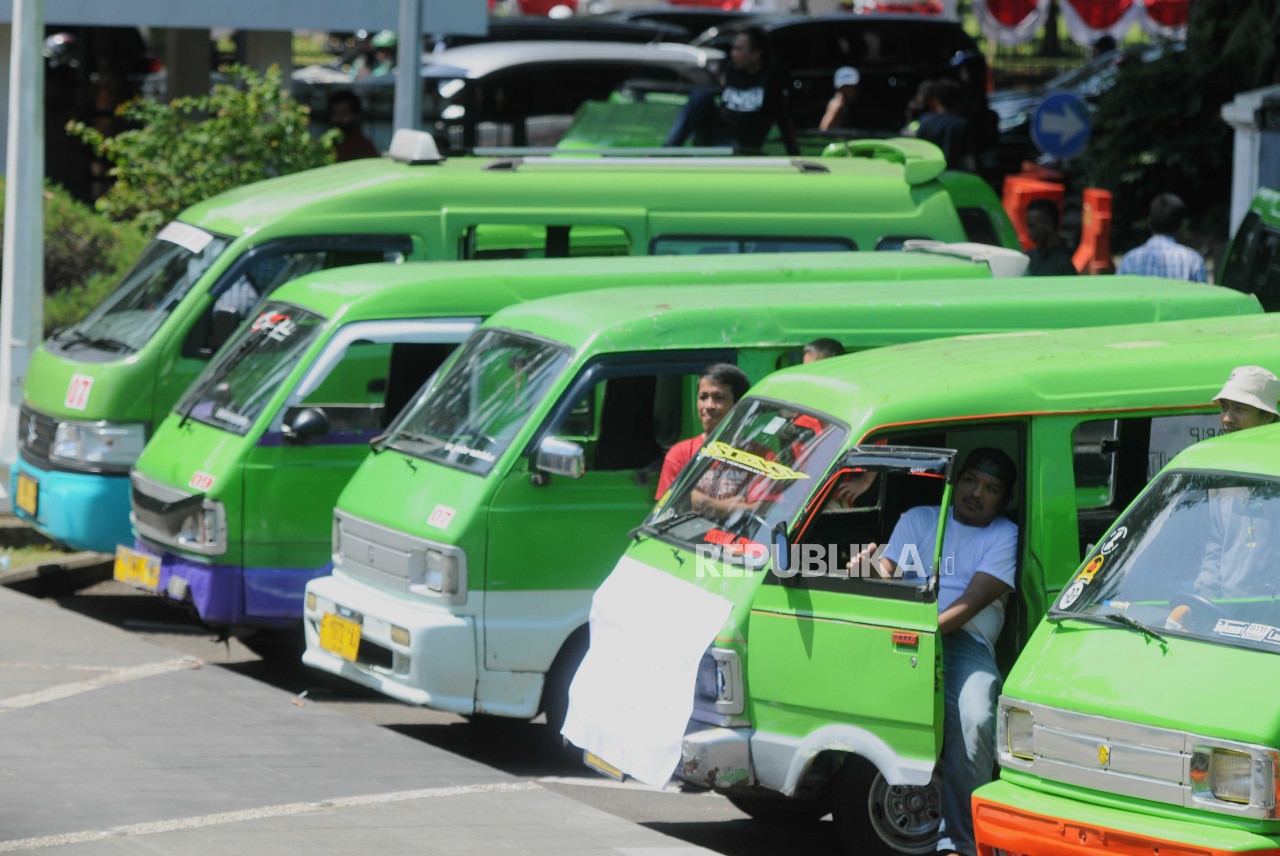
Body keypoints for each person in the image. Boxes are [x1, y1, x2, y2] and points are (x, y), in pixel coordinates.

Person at [852, 447, 1019, 856]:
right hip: (904, 632)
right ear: (955, 481)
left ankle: (961, 844)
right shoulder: (919, 519)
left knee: (977, 718)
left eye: (991, 488)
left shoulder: (1004, 534)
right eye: (970, 481)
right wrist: (864, 571)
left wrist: (925, 634)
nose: (976, 492)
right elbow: (886, 574)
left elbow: (972, 601)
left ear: (1004, 500)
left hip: (961, 642)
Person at [1193, 367, 1280, 601]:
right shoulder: (1225, 471)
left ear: (1268, 416)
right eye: (1224, 407)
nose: (1227, 418)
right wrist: (1205, 593)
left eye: (1239, 409)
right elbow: (1216, 542)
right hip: (1230, 610)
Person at [664, 27, 800, 156]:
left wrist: (795, 155)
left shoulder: (770, 80)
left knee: (728, 147)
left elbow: (783, 119)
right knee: (701, 95)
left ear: (756, 54)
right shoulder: (732, 71)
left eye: (738, 49)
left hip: (741, 144)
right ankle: (668, 150)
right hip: (717, 135)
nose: (733, 53)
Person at [654, 364, 751, 500]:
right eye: (703, 397)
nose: (709, 406)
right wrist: (735, 504)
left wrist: (700, 501)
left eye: (719, 397)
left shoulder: (760, 458)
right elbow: (667, 509)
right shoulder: (680, 454)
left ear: (739, 405)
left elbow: (763, 510)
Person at [1116, 193, 1208, 282]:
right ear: (1180, 226)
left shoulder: (1130, 259)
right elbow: (1204, 296)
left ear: (1149, 222)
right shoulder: (1193, 260)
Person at [914, 79, 974, 172]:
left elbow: (919, 151)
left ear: (937, 100)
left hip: (931, 174)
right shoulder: (962, 124)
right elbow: (968, 159)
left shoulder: (925, 121)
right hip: (956, 176)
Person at [1024, 198, 1078, 276]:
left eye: (1032, 226)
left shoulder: (1063, 263)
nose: (1028, 232)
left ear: (1049, 225)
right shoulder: (1030, 257)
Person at [327, 91, 380, 162]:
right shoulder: (326, 145)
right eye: (335, 114)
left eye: (344, 113)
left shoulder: (364, 148)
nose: (339, 118)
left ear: (356, 116)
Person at [819, 66, 860, 132]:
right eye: (850, 87)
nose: (854, 90)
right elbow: (823, 131)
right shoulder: (836, 105)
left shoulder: (845, 104)